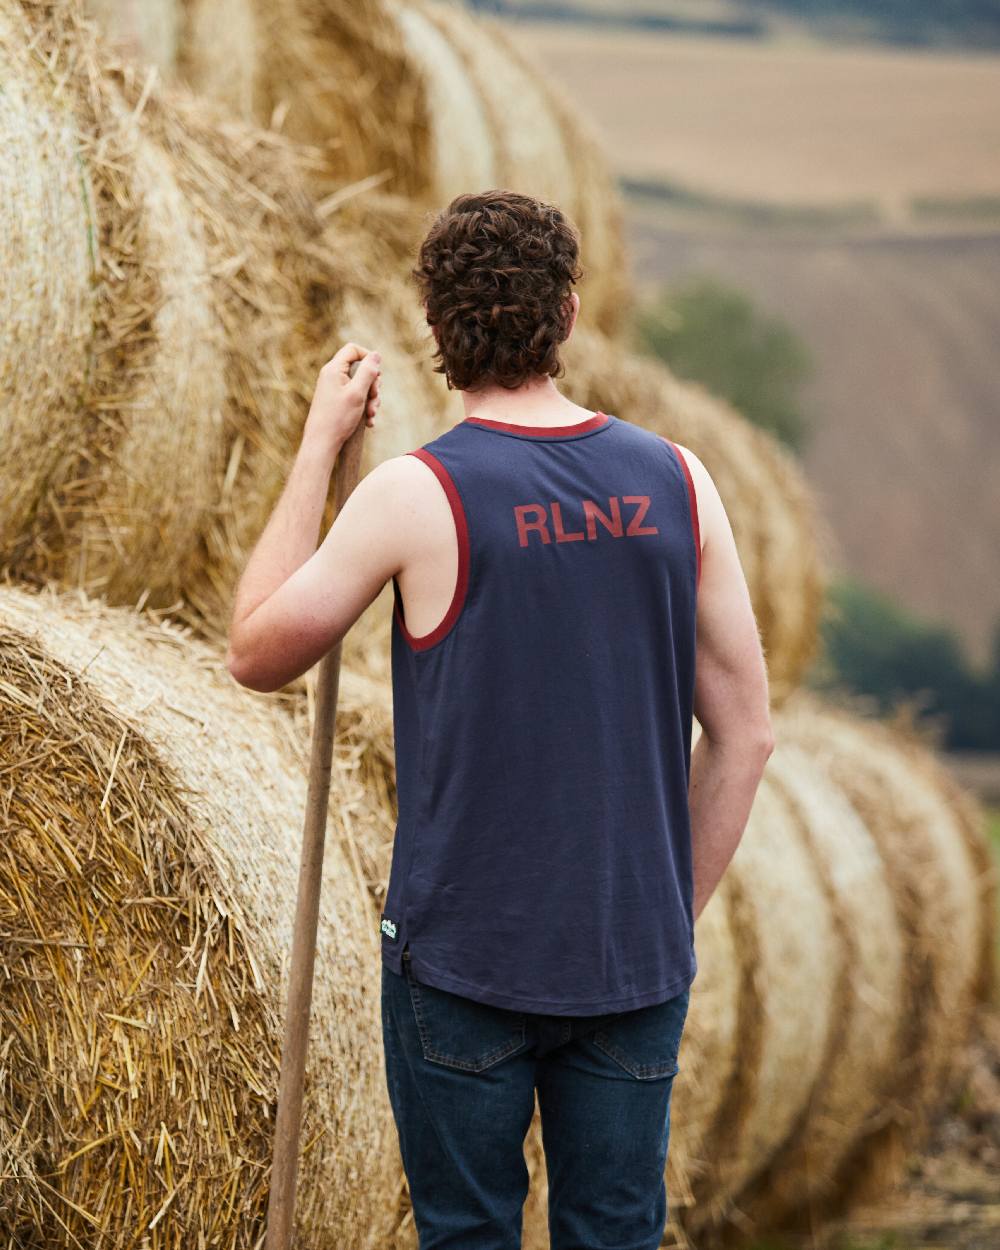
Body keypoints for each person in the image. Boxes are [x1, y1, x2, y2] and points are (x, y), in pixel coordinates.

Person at [226, 189, 774, 1249]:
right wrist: (666, 916)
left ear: (435, 329)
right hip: (629, 958)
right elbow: (745, 734)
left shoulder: (411, 495)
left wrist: (316, 446)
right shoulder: (678, 480)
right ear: (568, 314)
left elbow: (255, 650)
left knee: (466, 1234)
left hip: (461, 963)